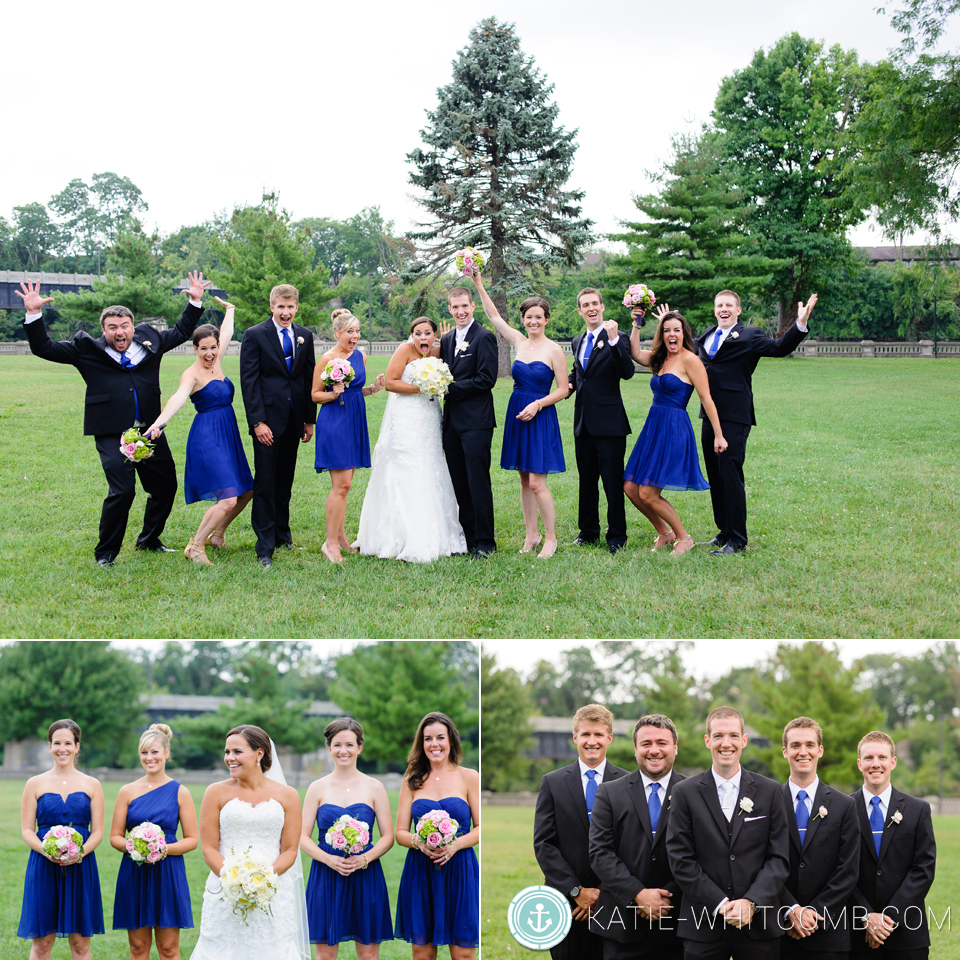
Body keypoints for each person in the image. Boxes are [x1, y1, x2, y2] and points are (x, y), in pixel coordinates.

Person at [16, 273, 210, 567]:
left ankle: (148, 539)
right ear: (103, 330)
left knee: (165, 486)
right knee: (122, 490)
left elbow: (182, 330)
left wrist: (195, 301)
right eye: (112, 328)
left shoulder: (152, 342)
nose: (120, 333)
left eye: (124, 326)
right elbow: (44, 348)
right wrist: (34, 313)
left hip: (149, 430)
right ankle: (105, 555)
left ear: (132, 326)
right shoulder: (86, 350)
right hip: (110, 431)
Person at [696, 290, 817, 555]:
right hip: (709, 415)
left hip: (734, 416)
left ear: (738, 310)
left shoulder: (750, 335)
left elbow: (780, 347)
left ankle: (738, 539)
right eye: (719, 305)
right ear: (714, 309)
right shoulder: (706, 334)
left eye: (729, 305)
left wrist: (800, 323)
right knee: (715, 476)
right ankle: (724, 531)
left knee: (730, 475)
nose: (723, 309)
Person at [665, 706, 789, 960]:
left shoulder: (770, 791)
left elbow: (778, 859)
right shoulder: (684, 793)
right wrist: (721, 904)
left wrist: (750, 902)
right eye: (719, 736)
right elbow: (680, 859)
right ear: (707, 740)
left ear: (744, 740)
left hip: (760, 925)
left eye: (733, 735)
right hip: (703, 924)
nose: (726, 743)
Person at [144, 299, 253, 565]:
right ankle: (195, 545)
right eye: (203, 349)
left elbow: (226, 333)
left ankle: (218, 534)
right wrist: (159, 423)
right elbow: (178, 398)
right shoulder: (192, 374)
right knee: (228, 498)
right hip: (208, 437)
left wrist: (230, 310)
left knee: (247, 490)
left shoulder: (217, 361)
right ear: (195, 348)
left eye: (213, 348)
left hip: (228, 434)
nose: (210, 353)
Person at [190, 725, 310, 960]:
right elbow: (209, 848)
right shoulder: (215, 792)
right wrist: (232, 879)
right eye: (227, 752)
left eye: (237, 751)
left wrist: (262, 882)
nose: (229, 758)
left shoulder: (288, 795)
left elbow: (289, 850)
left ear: (259, 753)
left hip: (274, 890)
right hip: (225, 889)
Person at [472, 269, 567, 559]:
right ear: (523, 320)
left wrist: (538, 404)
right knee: (524, 479)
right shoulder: (518, 341)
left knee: (538, 482)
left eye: (539, 316)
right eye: (529, 316)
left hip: (540, 415)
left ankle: (551, 538)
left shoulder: (554, 350)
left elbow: (564, 389)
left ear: (546, 320)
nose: (533, 321)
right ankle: (532, 534)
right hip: (517, 412)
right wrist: (477, 282)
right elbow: (493, 316)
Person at [355, 318, 466, 562]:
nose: (422, 338)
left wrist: (438, 382)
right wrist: (423, 388)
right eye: (418, 333)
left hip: (429, 416)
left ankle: (439, 530)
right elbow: (392, 383)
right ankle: (400, 534)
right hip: (406, 416)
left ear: (435, 335)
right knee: (406, 465)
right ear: (412, 335)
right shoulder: (404, 350)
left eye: (427, 333)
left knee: (432, 464)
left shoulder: (439, 351)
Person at [625, 307, 727, 556]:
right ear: (662, 334)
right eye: (667, 330)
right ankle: (665, 532)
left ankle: (684, 537)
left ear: (684, 334)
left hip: (673, 428)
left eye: (677, 330)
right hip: (653, 427)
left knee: (648, 492)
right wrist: (637, 324)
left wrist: (719, 434)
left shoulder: (690, 360)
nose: (672, 335)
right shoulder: (660, 358)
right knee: (629, 487)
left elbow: (706, 398)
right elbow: (636, 353)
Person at [533, 704, 629, 960]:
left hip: (614, 901)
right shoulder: (552, 783)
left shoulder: (629, 783)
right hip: (567, 902)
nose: (592, 741)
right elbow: (544, 844)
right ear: (575, 737)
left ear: (609, 738)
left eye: (599, 735)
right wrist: (576, 891)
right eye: (585, 734)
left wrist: (603, 894)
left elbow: (631, 846)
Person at [589, 714, 686, 960]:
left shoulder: (694, 792)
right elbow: (600, 852)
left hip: (678, 922)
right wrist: (638, 894)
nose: (654, 750)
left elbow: (700, 854)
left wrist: (665, 896)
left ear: (675, 747)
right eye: (646, 743)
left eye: (662, 743)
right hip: (620, 923)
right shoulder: (609, 793)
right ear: (635, 749)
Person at [300, 718, 395, 959]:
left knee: (368, 955)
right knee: (325, 956)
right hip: (327, 874)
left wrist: (364, 859)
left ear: (360, 747)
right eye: (337, 745)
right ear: (328, 748)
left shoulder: (375, 787)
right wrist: (328, 860)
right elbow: (302, 837)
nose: (344, 751)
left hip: (366, 873)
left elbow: (388, 837)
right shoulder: (316, 788)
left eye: (350, 745)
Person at [239, 284, 317, 569]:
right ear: (271, 307)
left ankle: (283, 534)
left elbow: (308, 379)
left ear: (297, 307)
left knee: (285, 480)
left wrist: (309, 419)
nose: (286, 312)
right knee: (265, 483)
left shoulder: (304, 336)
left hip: (294, 420)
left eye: (290, 307)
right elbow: (249, 382)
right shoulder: (254, 335)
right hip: (267, 423)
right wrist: (258, 422)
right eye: (280, 307)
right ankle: (264, 546)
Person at [394, 712, 480, 959]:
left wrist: (456, 845)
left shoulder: (469, 776)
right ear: (421, 744)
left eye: (440, 737)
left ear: (450, 740)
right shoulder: (412, 780)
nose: (434, 744)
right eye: (428, 738)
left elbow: (479, 827)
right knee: (422, 953)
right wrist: (419, 843)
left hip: (460, 870)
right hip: (421, 870)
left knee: (463, 953)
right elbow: (400, 832)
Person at [110, 722, 199, 960]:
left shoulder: (181, 792)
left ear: (167, 753)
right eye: (144, 752)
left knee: (169, 949)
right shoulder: (127, 791)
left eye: (155, 752)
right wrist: (135, 847)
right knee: (138, 947)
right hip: (134, 871)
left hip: (168, 872)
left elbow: (192, 840)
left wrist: (162, 850)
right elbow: (115, 837)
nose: (149, 758)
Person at [18, 719, 105, 959]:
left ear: (77, 746)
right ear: (49, 746)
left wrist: (80, 853)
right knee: (42, 944)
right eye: (57, 743)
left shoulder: (92, 784)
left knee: (80, 946)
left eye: (68, 743)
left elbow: (97, 831)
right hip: (43, 866)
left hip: (81, 866)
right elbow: (27, 830)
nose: (62, 748)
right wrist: (46, 850)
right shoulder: (34, 783)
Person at [777, 717, 859, 960]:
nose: (803, 752)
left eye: (810, 745)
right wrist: (790, 909)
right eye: (795, 745)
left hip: (829, 933)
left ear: (820, 750)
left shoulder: (845, 806)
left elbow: (848, 870)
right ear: (785, 751)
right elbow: (761, 862)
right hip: (779, 932)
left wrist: (813, 913)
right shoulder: (768, 802)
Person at [849, 731, 936, 958]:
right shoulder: (843, 809)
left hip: (907, 933)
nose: (875, 764)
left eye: (882, 757)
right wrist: (866, 916)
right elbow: (840, 869)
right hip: (856, 933)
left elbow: (924, 869)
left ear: (893, 762)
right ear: (859, 764)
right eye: (868, 758)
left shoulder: (918, 810)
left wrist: (889, 918)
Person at [311, 310, 385, 564]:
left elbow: (355, 392)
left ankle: (341, 537)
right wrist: (332, 393)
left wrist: (373, 388)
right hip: (334, 421)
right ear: (337, 333)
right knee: (340, 486)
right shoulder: (327, 359)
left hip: (355, 420)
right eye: (350, 332)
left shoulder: (360, 356)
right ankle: (329, 543)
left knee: (347, 485)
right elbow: (314, 395)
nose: (355, 336)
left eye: (357, 331)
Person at [567, 288, 635, 554]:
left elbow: (627, 372)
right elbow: (577, 373)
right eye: (585, 305)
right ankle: (588, 531)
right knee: (586, 480)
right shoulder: (577, 341)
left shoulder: (618, 338)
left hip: (610, 424)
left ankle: (617, 535)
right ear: (580, 310)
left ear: (602, 307)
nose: (591, 308)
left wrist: (616, 340)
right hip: (583, 422)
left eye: (595, 303)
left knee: (611, 481)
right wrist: (567, 387)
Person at [438, 286, 499, 558]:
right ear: (449, 309)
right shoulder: (447, 339)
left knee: (477, 482)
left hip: (477, 422)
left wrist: (449, 388)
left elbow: (487, 380)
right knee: (459, 482)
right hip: (451, 423)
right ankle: (469, 538)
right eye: (455, 307)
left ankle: (486, 542)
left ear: (472, 306)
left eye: (465, 306)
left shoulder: (483, 337)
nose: (460, 311)